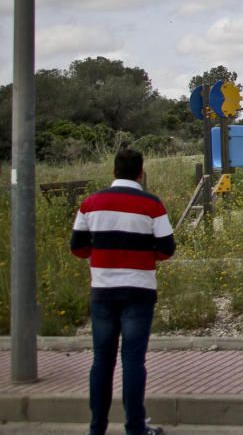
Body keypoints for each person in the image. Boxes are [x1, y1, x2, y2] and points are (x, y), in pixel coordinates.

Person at [70, 148, 175, 435]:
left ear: (114, 172)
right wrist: (143, 257)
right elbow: (167, 248)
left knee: (101, 360)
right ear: (141, 173)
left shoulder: (90, 204)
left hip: (103, 289)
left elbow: (78, 247)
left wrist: (100, 256)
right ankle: (135, 427)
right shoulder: (152, 205)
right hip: (139, 290)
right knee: (133, 360)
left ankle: (97, 428)